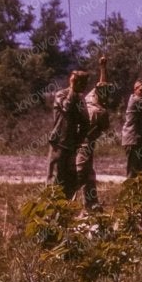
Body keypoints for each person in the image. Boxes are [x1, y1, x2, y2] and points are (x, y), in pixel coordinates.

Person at [49, 69, 92, 200]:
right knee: (55, 179)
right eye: (81, 84)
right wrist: (73, 89)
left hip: (71, 145)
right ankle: (50, 211)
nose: (84, 87)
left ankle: (64, 209)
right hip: (59, 143)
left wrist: (78, 140)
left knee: (71, 179)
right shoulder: (61, 94)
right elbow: (67, 107)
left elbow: (85, 122)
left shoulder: (80, 100)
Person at [76, 55, 113, 209]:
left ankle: (91, 203)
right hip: (84, 143)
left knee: (89, 175)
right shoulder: (98, 110)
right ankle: (64, 202)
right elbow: (105, 127)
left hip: (84, 142)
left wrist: (103, 67)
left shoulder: (90, 98)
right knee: (80, 172)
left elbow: (102, 83)